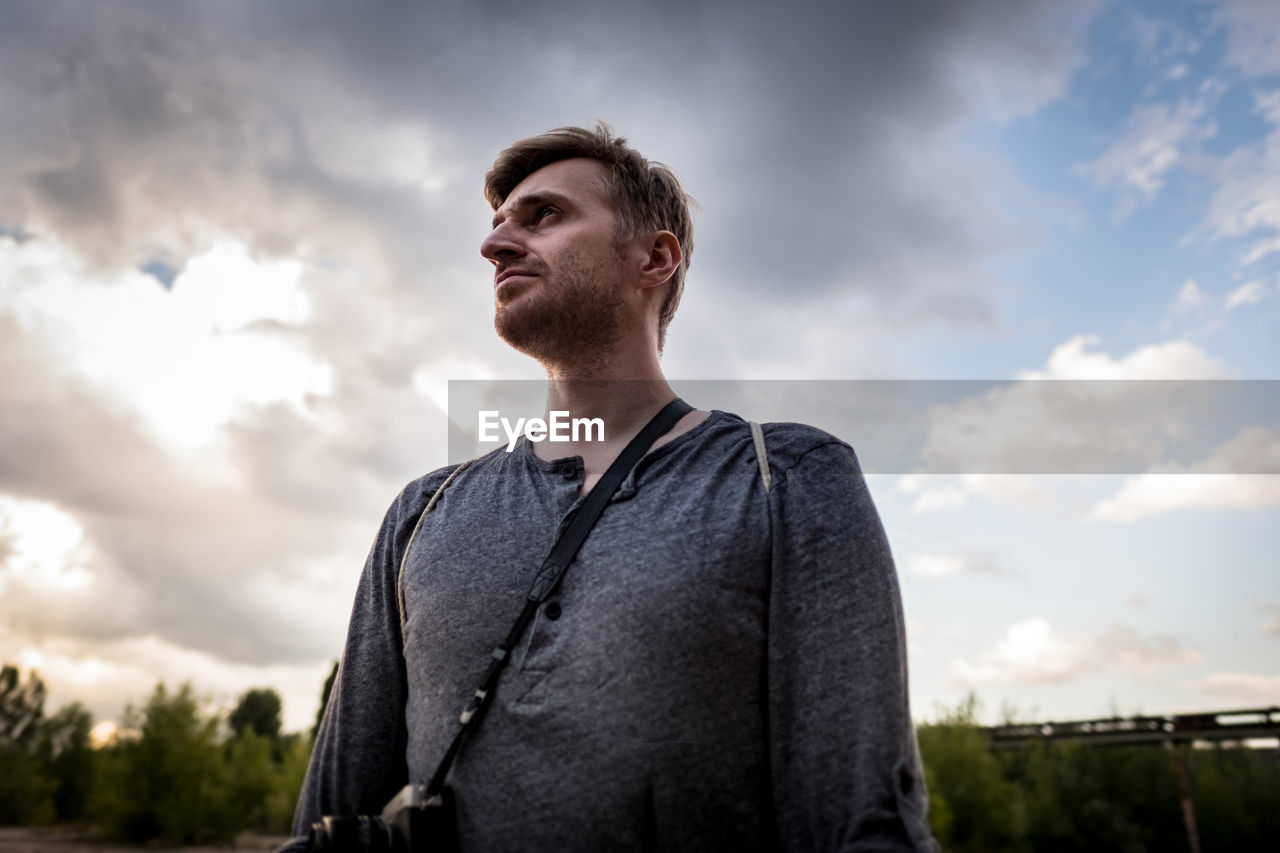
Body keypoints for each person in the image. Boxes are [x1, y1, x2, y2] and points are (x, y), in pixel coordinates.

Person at [285, 125, 937, 852]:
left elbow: (865, 825)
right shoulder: (421, 514)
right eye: (499, 225)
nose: (494, 245)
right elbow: (329, 824)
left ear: (654, 258)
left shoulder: (786, 478)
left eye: (544, 216)